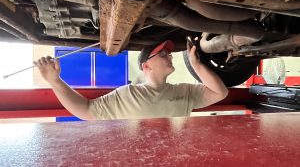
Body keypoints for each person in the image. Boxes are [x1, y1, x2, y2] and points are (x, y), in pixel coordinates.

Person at [34, 40, 228, 120]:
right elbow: (85, 110)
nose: (170, 56)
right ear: (146, 66)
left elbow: (221, 93)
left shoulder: (184, 91)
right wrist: (55, 81)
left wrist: (196, 66)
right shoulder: (127, 94)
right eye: (162, 54)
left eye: (169, 54)